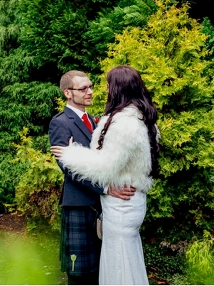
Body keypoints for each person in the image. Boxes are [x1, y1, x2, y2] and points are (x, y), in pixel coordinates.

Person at [51, 65, 160, 285]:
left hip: (107, 206)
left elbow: (107, 163)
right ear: (68, 93)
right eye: (83, 89)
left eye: (91, 86)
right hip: (81, 205)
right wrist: (106, 188)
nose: (90, 91)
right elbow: (70, 170)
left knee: (108, 268)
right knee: (80, 275)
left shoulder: (99, 120)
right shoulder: (60, 122)